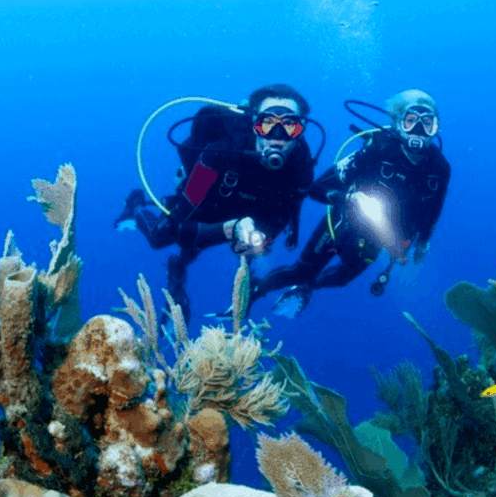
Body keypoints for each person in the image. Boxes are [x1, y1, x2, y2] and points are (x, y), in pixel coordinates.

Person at [116, 84, 317, 322]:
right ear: (254, 124)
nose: (277, 136)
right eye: (267, 123)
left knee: (250, 250)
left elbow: (286, 215)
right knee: (161, 237)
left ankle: (229, 291)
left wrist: (264, 239)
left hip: (249, 222)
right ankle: (136, 205)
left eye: (289, 126)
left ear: (300, 132)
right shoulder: (217, 153)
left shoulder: (301, 169)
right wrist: (230, 228)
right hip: (207, 210)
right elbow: (181, 226)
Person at [245, 88, 451, 317]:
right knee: (301, 271)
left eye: (427, 122)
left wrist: (422, 241)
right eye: (411, 121)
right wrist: (349, 199)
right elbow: (317, 189)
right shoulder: (376, 151)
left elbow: (434, 209)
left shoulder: (440, 169)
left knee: (342, 278)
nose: (419, 131)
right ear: (397, 123)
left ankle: (306, 289)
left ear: (437, 126)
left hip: (379, 237)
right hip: (340, 224)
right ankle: (253, 293)